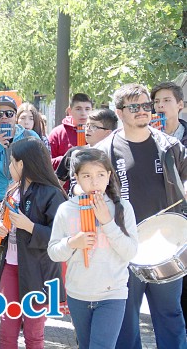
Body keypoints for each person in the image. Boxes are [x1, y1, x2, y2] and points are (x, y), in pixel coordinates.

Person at [95, 83, 187, 349]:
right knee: (125, 321)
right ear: (119, 112)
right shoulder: (103, 151)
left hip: (165, 245)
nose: (142, 111)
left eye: (146, 105)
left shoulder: (170, 147)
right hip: (122, 246)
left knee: (170, 316)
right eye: (133, 107)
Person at [48, 148, 138, 349]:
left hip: (112, 294)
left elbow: (130, 252)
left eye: (100, 175)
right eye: (86, 176)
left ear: (109, 176)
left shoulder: (122, 207)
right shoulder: (66, 209)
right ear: (76, 178)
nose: (94, 182)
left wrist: (107, 223)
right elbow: (53, 252)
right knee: (86, 345)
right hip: (78, 293)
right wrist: (72, 243)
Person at [0, 137, 66, 348]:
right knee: (7, 328)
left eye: (11, 162)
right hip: (10, 266)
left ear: (22, 164)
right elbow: (2, 220)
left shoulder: (52, 193)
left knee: (34, 332)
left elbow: (60, 236)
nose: (9, 166)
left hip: (39, 270)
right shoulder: (12, 190)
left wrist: (30, 226)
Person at [0, 96, 39, 292]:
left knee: (21, 255)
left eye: (9, 114)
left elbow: (40, 167)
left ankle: (21, 302)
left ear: (16, 116)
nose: (4, 118)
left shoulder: (29, 136)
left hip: (24, 206)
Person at [150, 81, 187, 332]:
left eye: (167, 101)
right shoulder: (146, 137)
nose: (161, 106)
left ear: (180, 105)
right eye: (157, 102)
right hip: (159, 223)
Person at [55, 108, 118, 194]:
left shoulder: (114, 156)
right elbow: (57, 184)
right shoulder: (74, 153)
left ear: (108, 133)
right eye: (87, 125)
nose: (88, 129)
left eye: (93, 126)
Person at [48, 93, 93, 169]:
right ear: (70, 111)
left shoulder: (98, 131)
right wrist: (68, 159)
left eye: (87, 109)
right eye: (78, 109)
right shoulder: (57, 133)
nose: (83, 113)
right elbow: (48, 162)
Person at [151, 81, 187, 145]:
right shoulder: (144, 134)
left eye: (166, 100)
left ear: (180, 104)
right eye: (156, 101)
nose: (160, 105)